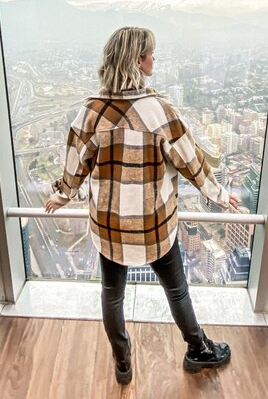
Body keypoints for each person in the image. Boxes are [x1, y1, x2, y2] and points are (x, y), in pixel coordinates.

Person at [45, 27, 239, 385]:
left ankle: (123, 363)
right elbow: (190, 160)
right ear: (137, 60)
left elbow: (74, 165)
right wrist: (218, 195)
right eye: (151, 53)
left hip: (109, 227)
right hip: (154, 225)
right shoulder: (161, 112)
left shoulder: (90, 112)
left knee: (111, 295)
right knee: (176, 289)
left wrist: (62, 193)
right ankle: (198, 350)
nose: (154, 59)